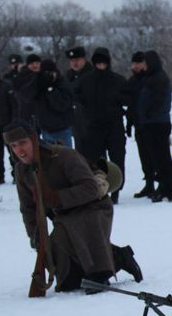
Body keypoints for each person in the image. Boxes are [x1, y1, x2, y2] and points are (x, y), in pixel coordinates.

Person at [5, 119, 143, 294]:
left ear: (33, 140)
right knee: (69, 282)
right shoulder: (21, 171)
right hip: (63, 215)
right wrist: (36, 238)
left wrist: (56, 198)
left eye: (23, 143)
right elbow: (28, 208)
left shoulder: (63, 156)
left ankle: (106, 268)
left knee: (78, 234)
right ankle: (117, 257)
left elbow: (91, 189)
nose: (20, 150)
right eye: (14, 146)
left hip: (94, 207)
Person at [75, 47, 127, 204]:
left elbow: (128, 99)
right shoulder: (86, 80)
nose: (101, 65)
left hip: (114, 125)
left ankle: (116, 190)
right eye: (98, 62)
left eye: (103, 62)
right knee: (97, 161)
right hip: (94, 126)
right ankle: (100, 189)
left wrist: (118, 101)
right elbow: (76, 96)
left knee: (117, 157)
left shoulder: (118, 80)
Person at [138, 50, 172, 202]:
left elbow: (159, 101)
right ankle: (162, 187)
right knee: (157, 158)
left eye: (146, 63)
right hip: (151, 123)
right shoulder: (150, 78)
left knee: (162, 157)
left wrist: (147, 114)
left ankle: (168, 188)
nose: (144, 66)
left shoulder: (159, 78)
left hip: (158, 123)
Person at [124, 52, 155, 198]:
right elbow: (130, 105)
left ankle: (159, 184)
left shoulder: (151, 79)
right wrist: (129, 123)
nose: (136, 66)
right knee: (144, 156)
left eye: (139, 63)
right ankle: (149, 184)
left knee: (154, 155)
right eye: (134, 63)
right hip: (138, 124)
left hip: (151, 124)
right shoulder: (131, 82)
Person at [32, 59, 74, 148]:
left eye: (50, 73)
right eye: (45, 73)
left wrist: (50, 88)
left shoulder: (62, 83)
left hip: (62, 129)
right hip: (45, 129)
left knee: (66, 158)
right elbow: (25, 96)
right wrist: (38, 82)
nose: (48, 76)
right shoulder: (41, 83)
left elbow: (62, 105)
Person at [64, 46, 92, 148]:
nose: (74, 63)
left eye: (77, 60)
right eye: (72, 60)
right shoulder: (68, 76)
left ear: (83, 59)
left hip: (92, 125)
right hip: (76, 126)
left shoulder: (92, 74)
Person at [0, 67, 15, 184]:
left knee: (13, 152)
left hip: (7, 124)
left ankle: (17, 175)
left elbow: (14, 104)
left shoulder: (6, 86)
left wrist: (13, 122)